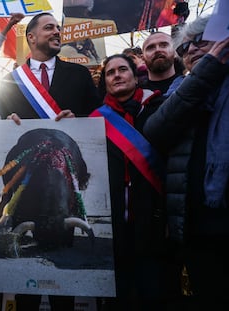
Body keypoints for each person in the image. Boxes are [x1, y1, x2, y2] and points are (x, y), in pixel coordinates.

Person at [0, 12, 101, 311]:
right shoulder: (8, 81)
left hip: (63, 189)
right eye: (49, 27)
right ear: (31, 37)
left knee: (62, 290)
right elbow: (0, 124)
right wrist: (5, 122)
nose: (57, 32)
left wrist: (80, 120)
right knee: (26, 288)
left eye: (58, 28)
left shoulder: (79, 75)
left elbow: (98, 119)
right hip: (26, 187)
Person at [144, 15, 229, 310]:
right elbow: (156, 131)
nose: (190, 50)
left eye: (200, 41)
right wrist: (206, 73)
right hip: (198, 230)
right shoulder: (178, 92)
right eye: (184, 48)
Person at [90, 54, 168, 311]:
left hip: (152, 213)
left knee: (151, 287)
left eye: (122, 69)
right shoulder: (94, 120)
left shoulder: (158, 107)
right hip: (112, 219)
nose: (116, 75)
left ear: (135, 77)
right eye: (110, 73)